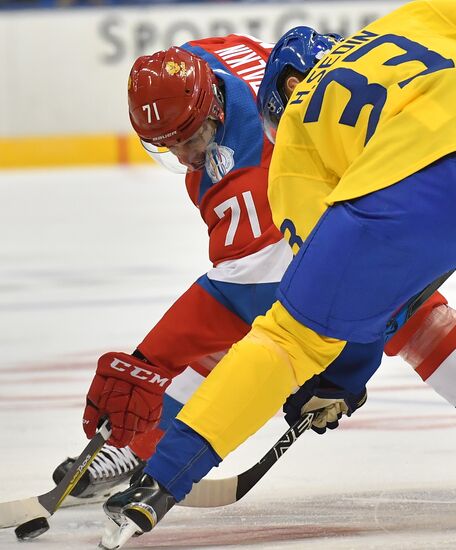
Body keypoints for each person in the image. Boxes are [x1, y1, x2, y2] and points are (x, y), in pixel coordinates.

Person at [96, 1, 456, 545]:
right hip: (417, 134)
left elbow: (265, 301)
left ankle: (147, 448)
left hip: (387, 198)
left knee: (300, 327)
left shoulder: (276, 169)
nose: (187, 157)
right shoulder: (209, 59)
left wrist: (152, 362)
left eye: (191, 140)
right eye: (170, 147)